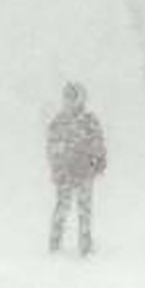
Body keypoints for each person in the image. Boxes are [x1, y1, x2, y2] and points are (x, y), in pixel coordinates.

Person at [47, 81, 107, 256]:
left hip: (81, 172)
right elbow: (52, 148)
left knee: (79, 211)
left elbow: (98, 144)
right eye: (68, 97)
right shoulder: (64, 122)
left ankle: (78, 246)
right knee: (70, 210)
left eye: (72, 97)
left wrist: (98, 163)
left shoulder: (83, 121)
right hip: (73, 173)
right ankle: (59, 245)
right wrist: (58, 168)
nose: (70, 101)